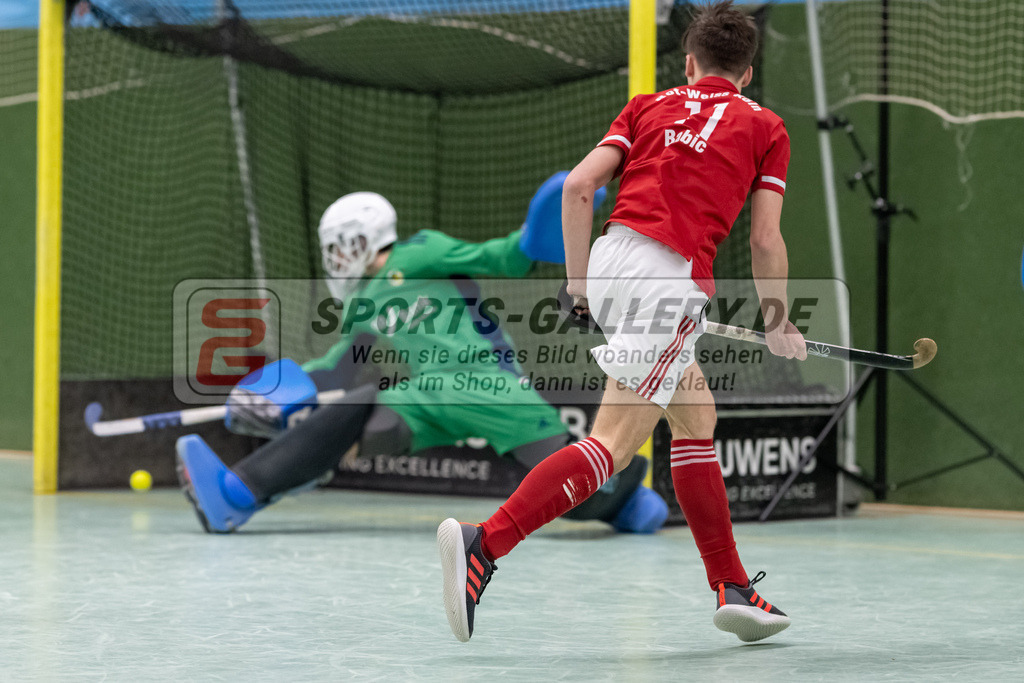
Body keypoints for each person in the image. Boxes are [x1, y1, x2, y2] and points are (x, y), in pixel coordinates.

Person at [438, 0, 808, 644]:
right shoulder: (766, 125)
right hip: (670, 282)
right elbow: (766, 241)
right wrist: (778, 319)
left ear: (689, 64)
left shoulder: (648, 105)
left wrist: (580, 285)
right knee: (610, 447)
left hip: (609, 260)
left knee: (695, 417)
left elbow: (579, 188)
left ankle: (732, 584)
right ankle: (485, 544)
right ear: (747, 74)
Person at [175, 179, 670, 536]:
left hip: (488, 386)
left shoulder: (420, 252)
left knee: (572, 497)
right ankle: (237, 494)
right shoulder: (360, 301)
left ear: (357, 240)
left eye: (337, 247)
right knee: (358, 414)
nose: (334, 259)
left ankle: (624, 499)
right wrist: (272, 394)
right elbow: (341, 367)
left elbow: (500, 259)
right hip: (428, 392)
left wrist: (532, 235)